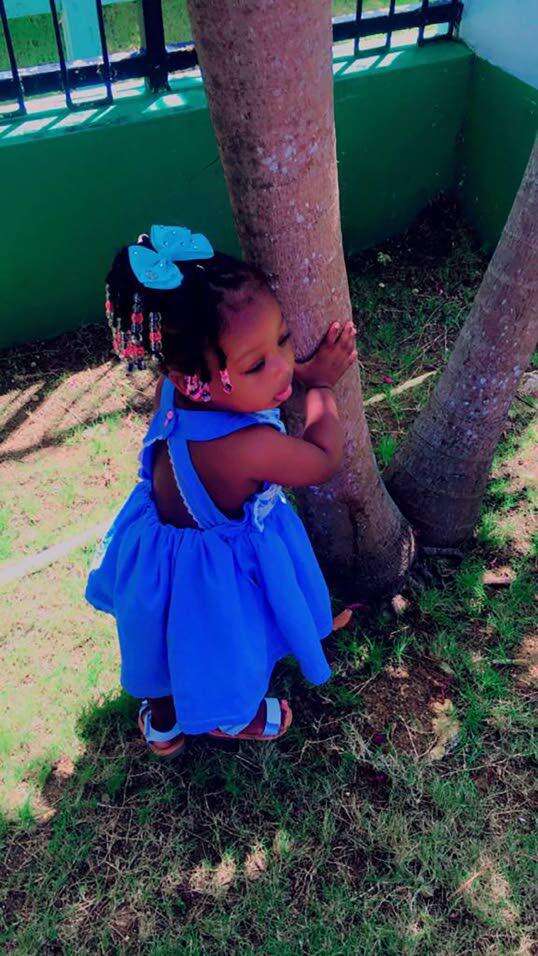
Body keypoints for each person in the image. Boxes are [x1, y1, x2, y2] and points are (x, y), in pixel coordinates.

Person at [86, 225, 356, 759]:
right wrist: (321, 385)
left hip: (157, 557)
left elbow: (245, 379)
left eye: (283, 340)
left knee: (164, 647)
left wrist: (283, 371)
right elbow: (323, 460)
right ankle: (233, 718)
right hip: (212, 579)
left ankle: (162, 720)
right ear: (194, 378)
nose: (283, 367)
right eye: (257, 364)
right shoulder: (249, 447)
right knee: (225, 652)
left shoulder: (175, 387)